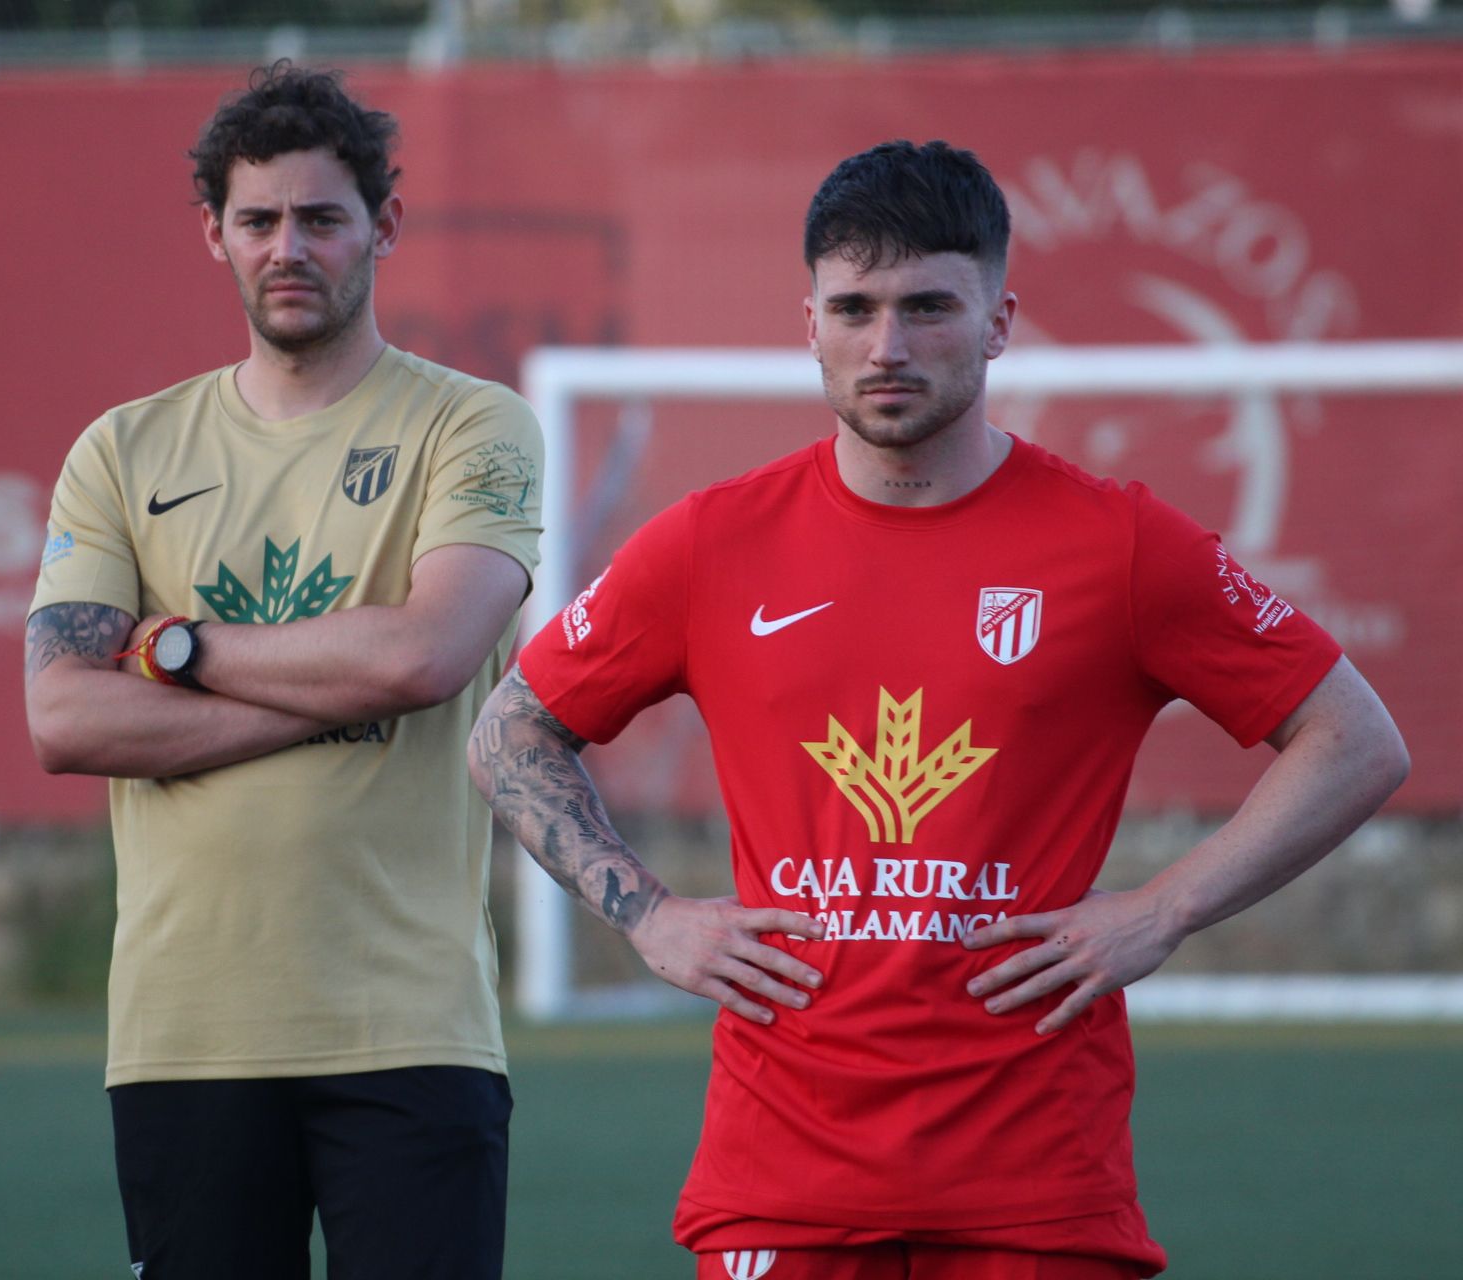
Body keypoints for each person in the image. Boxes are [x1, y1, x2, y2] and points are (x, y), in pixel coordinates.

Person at [468, 139, 1407, 1280]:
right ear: (806, 321)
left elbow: (1355, 738)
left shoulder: (1118, 543)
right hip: (783, 1178)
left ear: (1000, 319)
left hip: (1037, 1181)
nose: (888, 346)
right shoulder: (710, 543)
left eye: (928, 306)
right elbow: (510, 730)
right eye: (853, 308)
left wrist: (1164, 908)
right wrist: (650, 914)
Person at [24, 62, 541, 1280]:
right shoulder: (123, 446)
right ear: (215, 235)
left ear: (384, 225)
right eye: (258, 221)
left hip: (410, 1026)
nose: (288, 247)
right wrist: (330, 684)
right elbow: (63, 712)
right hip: (184, 1033)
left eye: (321, 217)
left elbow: (426, 652)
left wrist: (182, 649)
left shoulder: (472, 424)